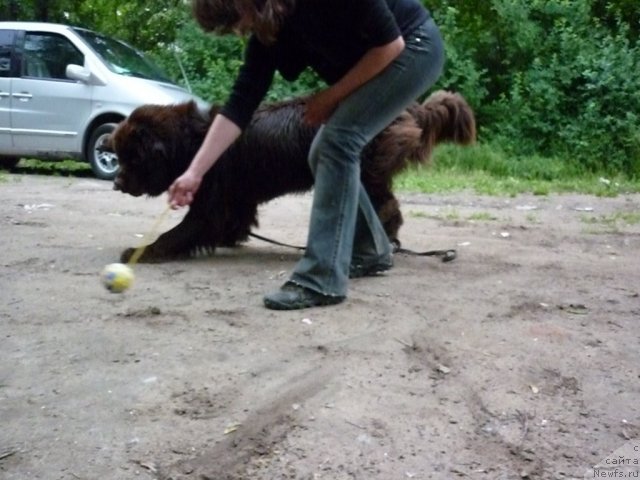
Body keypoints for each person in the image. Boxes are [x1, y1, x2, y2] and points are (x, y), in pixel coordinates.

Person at [168, 0, 445, 310]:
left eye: (235, 20)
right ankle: (370, 249)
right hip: (381, 57)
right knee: (322, 151)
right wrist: (195, 173)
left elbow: (389, 46)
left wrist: (330, 97)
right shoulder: (269, 29)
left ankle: (321, 279)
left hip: (413, 47)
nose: (239, 30)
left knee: (337, 143)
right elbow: (240, 104)